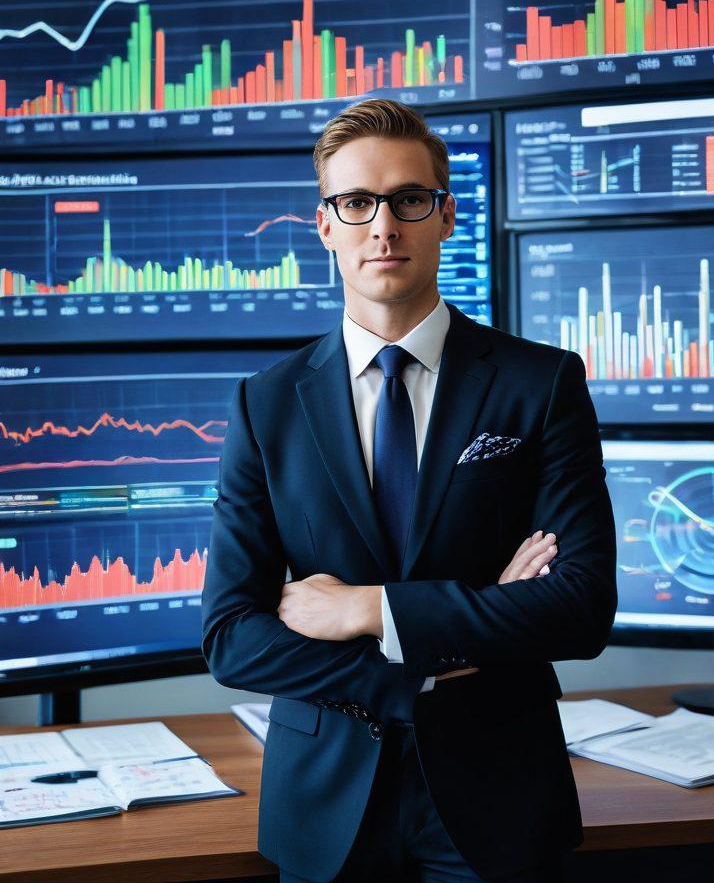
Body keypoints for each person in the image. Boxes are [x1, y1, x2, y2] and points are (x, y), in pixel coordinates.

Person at [201, 98, 617, 883]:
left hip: (496, 797)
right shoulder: (266, 404)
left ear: (446, 215)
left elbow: (581, 607)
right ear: (325, 225)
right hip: (323, 806)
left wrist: (367, 610)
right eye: (356, 203)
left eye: (409, 200)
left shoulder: (541, 385)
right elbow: (232, 634)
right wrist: (425, 662)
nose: (383, 226)